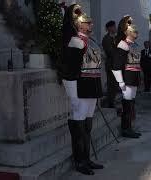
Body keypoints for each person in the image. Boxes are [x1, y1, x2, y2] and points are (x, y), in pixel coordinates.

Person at [61, 4, 104, 175]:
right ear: (79, 24)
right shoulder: (75, 42)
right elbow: (69, 70)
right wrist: (72, 95)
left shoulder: (91, 41)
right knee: (79, 123)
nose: (91, 25)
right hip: (80, 84)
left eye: (91, 22)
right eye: (88, 23)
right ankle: (79, 161)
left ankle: (86, 158)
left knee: (88, 123)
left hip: (92, 84)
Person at [112, 15, 141, 138]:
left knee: (131, 104)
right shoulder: (123, 45)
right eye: (134, 31)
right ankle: (125, 128)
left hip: (134, 77)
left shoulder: (135, 45)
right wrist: (120, 81)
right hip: (127, 77)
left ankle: (129, 127)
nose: (137, 33)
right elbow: (116, 65)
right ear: (127, 32)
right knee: (127, 104)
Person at [102, 20, 118, 108]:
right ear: (109, 28)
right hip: (110, 64)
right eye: (114, 27)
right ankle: (110, 102)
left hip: (116, 64)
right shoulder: (106, 39)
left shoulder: (114, 38)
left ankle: (112, 100)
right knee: (111, 84)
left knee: (115, 84)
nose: (115, 28)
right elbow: (110, 52)